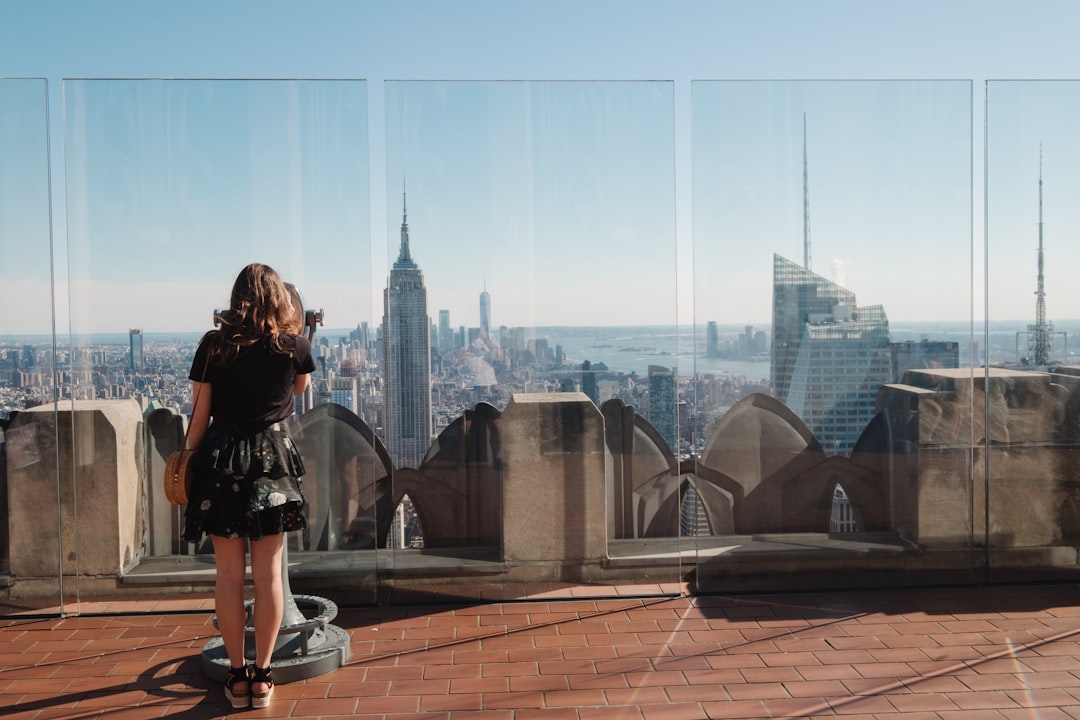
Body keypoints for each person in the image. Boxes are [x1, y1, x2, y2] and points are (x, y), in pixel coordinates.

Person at [182, 263, 315, 709]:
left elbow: (199, 417)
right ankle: (263, 676)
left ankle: (237, 677)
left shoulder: (213, 346)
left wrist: (185, 462)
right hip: (270, 463)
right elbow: (299, 390)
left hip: (222, 462)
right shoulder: (293, 346)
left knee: (228, 576)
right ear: (280, 297)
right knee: (270, 575)